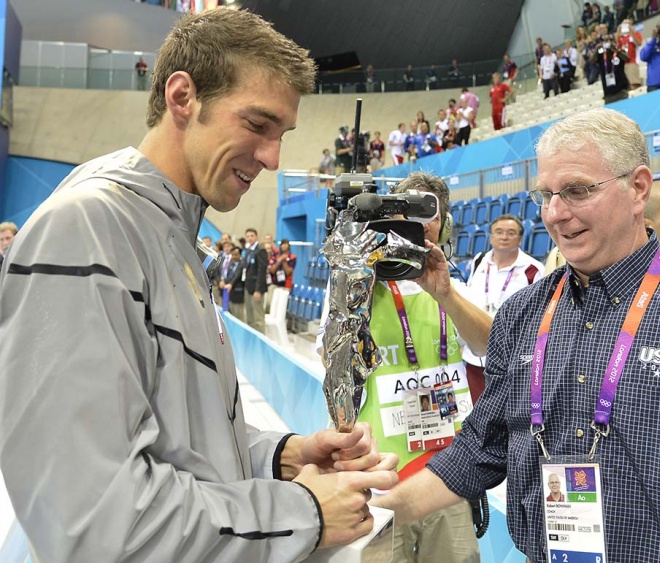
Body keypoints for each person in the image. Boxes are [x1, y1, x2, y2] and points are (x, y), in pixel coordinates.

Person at [0, 10, 398, 562]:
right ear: (183, 98)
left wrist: (282, 456)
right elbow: (92, 519)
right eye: (257, 125)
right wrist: (300, 513)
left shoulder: (170, 236)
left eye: (281, 135)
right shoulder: (87, 230)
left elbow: (178, 438)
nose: (273, 158)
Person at [373, 108, 660, 562]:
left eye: (578, 191)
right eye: (546, 195)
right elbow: (479, 449)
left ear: (638, 188)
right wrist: (363, 516)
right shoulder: (523, 313)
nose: (556, 214)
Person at [317, 172, 493, 563]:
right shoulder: (356, 283)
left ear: (444, 223)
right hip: (381, 475)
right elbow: (334, 370)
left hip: (447, 473)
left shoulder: (457, 283)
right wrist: (356, 273)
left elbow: (490, 345)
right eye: (406, 208)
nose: (418, 220)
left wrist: (445, 294)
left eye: (429, 211)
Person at [462, 214, 544, 402]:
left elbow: (539, 315)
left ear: (520, 239)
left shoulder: (532, 269)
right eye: (499, 232)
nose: (504, 237)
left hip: (511, 358)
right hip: (475, 356)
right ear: (491, 237)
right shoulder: (478, 261)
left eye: (511, 233)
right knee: (476, 411)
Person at [242, 227, 268, 334]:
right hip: (248, 287)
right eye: (248, 236)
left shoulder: (260, 251)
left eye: (252, 236)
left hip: (256, 289)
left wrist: (258, 290)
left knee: (258, 318)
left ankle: (261, 340)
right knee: (249, 316)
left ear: (256, 237)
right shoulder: (248, 251)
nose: (250, 238)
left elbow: (261, 272)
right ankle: (251, 338)